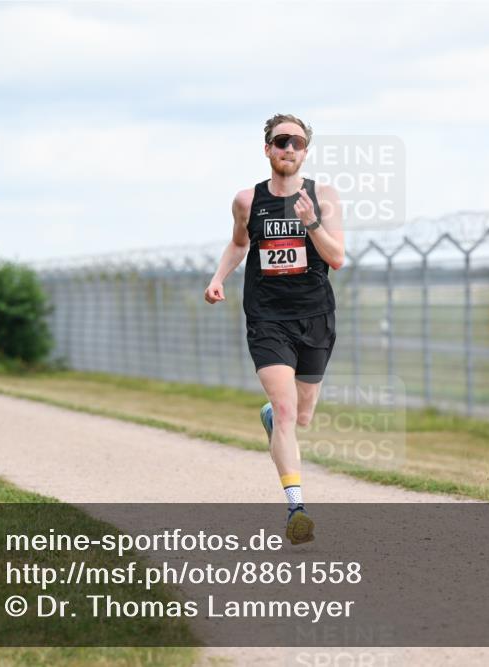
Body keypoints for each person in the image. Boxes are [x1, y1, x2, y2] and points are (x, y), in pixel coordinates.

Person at [205, 114, 344, 544]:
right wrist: (218, 277)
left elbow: (337, 258)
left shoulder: (323, 197)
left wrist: (312, 224)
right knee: (285, 411)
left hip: (315, 317)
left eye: (297, 143)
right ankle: (297, 509)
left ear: (305, 152)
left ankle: (272, 417)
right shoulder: (247, 201)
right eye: (281, 141)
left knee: (299, 416)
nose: (289, 148)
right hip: (267, 318)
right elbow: (240, 243)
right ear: (267, 149)